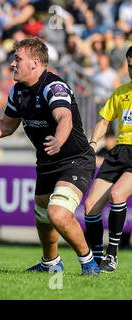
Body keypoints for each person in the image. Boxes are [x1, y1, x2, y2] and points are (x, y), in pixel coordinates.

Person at [0, 38, 100, 276]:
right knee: (43, 215)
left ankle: (89, 263)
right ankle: (51, 263)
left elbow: (65, 117)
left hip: (75, 160)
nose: (12, 63)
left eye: (17, 59)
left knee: (58, 213)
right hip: (47, 163)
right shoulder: (17, 90)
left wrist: (58, 140)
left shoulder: (52, 86)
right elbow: (5, 126)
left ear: (35, 63)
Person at [84, 46, 132, 273]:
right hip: (119, 151)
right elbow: (104, 121)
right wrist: (93, 143)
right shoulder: (121, 92)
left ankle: (112, 256)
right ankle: (96, 257)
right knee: (90, 207)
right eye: (130, 66)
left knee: (117, 194)